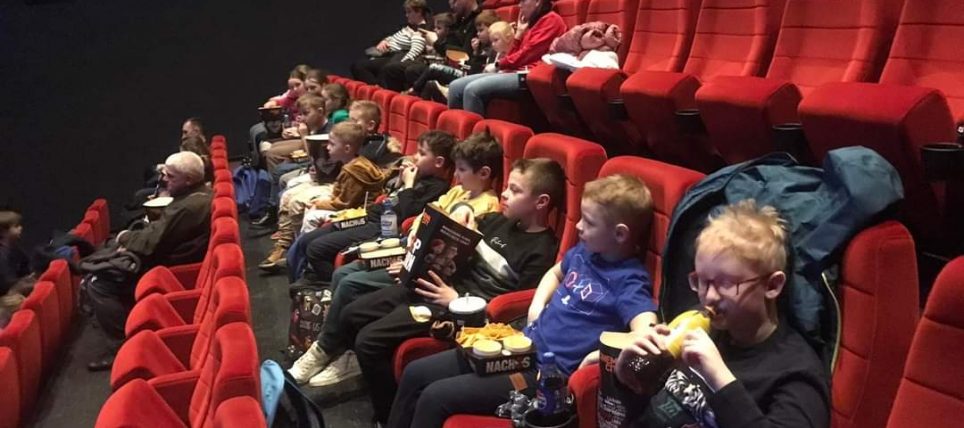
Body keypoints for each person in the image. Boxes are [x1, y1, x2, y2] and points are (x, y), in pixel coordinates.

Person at [387, 174, 660, 428]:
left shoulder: (629, 280)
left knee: (435, 397)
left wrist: (598, 356)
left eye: (589, 222)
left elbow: (647, 333)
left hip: (545, 374)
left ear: (620, 234)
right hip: (520, 347)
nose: (578, 225)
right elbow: (555, 273)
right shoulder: (586, 252)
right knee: (415, 372)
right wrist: (536, 306)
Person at [287, 132, 507, 390]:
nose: (456, 175)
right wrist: (416, 233)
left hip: (424, 270)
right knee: (342, 274)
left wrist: (413, 253)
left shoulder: (488, 205)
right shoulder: (458, 191)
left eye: (461, 169)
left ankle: (328, 349)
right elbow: (425, 216)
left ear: (483, 173)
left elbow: (453, 240)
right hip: (411, 252)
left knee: (349, 283)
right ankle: (336, 346)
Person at [616, 200, 830, 428]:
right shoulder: (702, 325)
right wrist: (629, 377)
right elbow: (644, 411)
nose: (709, 297)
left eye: (726, 283)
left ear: (772, 285)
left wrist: (719, 377)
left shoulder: (796, 371)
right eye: (701, 281)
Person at [87, 152, 212, 371]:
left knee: (98, 284)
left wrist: (124, 237)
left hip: (169, 267)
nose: (164, 180)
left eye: (170, 176)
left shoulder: (188, 207)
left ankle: (121, 347)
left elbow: (150, 243)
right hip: (169, 258)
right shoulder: (198, 196)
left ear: (189, 180)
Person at [298, 130, 456, 283]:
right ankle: (309, 280)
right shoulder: (419, 175)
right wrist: (400, 181)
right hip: (369, 216)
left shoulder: (438, 187)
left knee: (316, 249)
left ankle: (327, 287)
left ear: (438, 162)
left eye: (422, 153)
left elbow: (408, 213)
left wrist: (408, 184)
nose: (415, 156)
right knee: (307, 240)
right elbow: (390, 196)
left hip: (383, 227)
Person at [260, 122, 387, 270]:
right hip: (344, 202)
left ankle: (304, 260)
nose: (327, 147)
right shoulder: (352, 163)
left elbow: (344, 204)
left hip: (359, 212)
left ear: (347, 149)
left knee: (310, 214)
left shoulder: (354, 170)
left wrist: (319, 203)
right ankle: (292, 250)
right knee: (294, 198)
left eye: (332, 144)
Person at [448, 0, 566, 115]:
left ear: (537, 2)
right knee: (455, 87)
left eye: (523, 1)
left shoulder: (551, 20)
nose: (519, 5)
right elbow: (512, 55)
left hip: (528, 75)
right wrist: (519, 34)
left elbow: (526, 54)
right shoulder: (532, 24)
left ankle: (474, 129)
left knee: (472, 90)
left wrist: (498, 64)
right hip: (513, 72)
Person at [407, 10, 500, 100]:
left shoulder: (494, 49)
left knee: (434, 68)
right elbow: (471, 67)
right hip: (467, 75)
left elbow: (475, 72)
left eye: (481, 30)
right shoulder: (481, 47)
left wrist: (476, 54)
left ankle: (414, 91)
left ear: (491, 30)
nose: (478, 34)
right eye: (477, 31)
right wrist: (476, 52)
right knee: (429, 83)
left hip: (471, 80)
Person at [351, 0, 432, 88]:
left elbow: (415, 51)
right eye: (406, 12)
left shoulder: (421, 30)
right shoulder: (408, 25)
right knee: (358, 66)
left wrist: (399, 64)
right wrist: (385, 41)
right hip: (388, 54)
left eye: (409, 12)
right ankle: (375, 88)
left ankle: (377, 90)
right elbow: (393, 36)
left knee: (378, 68)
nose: (406, 15)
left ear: (419, 12)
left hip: (397, 57)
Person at [248, 64, 312, 164]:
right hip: (293, 130)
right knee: (257, 133)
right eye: (291, 87)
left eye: (298, 85)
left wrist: (298, 131)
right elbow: (280, 99)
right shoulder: (291, 94)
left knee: (271, 151)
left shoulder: (313, 100)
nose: (294, 89)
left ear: (306, 83)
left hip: (304, 134)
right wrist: (272, 103)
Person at [0, 209, 32, 301]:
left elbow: (26, 266)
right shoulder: (2, 255)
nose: (20, 228)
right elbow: (5, 283)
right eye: (16, 226)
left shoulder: (15, 248)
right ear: (3, 231)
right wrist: (23, 282)